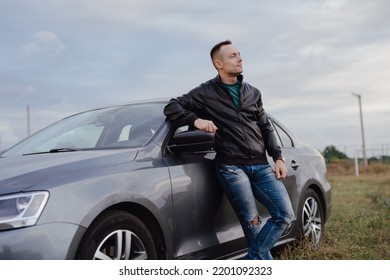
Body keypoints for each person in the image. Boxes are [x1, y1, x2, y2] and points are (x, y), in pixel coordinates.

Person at [163, 40, 295, 260]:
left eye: (239, 54)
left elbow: (265, 127)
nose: (240, 58)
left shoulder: (253, 93)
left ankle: (251, 259)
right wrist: (196, 120)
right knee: (252, 221)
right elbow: (172, 106)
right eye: (233, 55)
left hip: (261, 165)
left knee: (285, 215)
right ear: (219, 64)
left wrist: (278, 157)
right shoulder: (205, 92)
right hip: (232, 167)